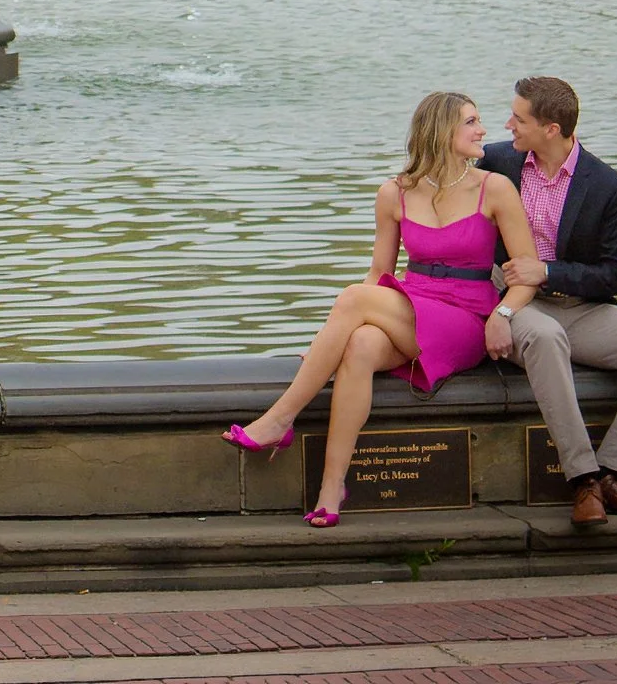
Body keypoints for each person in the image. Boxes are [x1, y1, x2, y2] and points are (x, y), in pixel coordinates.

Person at [224, 92, 543, 528]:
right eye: (471, 121)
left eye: (479, 121)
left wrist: (504, 316)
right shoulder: (394, 192)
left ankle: (280, 418)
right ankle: (331, 489)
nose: (482, 129)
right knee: (358, 345)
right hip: (412, 307)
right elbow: (379, 273)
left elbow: (526, 275)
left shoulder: (495, 188)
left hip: (467, 318)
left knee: (355, 299)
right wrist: (327, 346)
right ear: (441, 132)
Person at [479, 73, 617, 530]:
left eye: (518, 118)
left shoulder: (607, 185)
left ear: (550, 128)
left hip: (580, 307)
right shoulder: (495, 162)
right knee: (548, 338)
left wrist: (550, 271)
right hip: (514, 305)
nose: (508, 125)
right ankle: (583, 480)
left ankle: (615, 475)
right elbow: (433, 165)